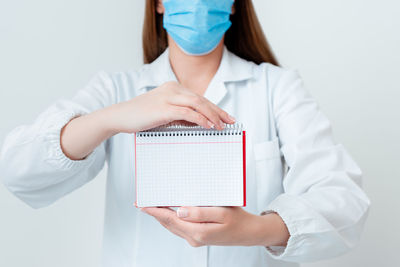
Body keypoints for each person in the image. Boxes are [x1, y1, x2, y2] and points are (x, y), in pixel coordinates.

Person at [0, 0, 370, 266]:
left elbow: (344, 203)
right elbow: (18, 170)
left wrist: (254, 229)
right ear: (158, 3)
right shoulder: (117, 90)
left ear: (235, 5)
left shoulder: (277, 88)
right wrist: (112, 118)